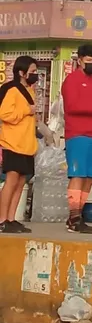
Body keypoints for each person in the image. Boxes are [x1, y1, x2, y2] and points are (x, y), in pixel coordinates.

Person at [62, 45, 92, 234]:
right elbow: (72, 106)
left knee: (90, 177)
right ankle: (74, 216)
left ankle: (77, 215)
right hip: (77, 134)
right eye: (89, 61)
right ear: (80, 60)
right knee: (78, 175)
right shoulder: (72, 80)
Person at [0, 55, 38, 234]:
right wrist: (26, 111)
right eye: (32, 72)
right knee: (11, 180)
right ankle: (2, 219)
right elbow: (5, 114)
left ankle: (11, 217)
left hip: (27, 144)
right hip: (12, 143)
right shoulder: (11, 89)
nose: (35, 75)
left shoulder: (30, 90)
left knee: (21, 182)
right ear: (22, 72)